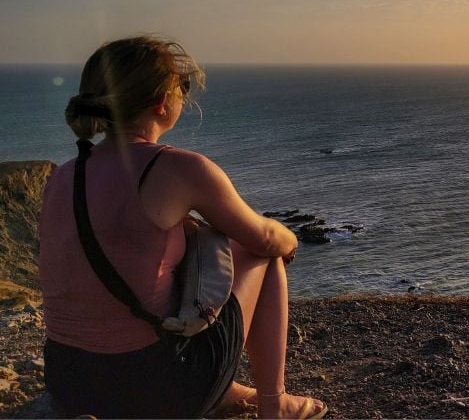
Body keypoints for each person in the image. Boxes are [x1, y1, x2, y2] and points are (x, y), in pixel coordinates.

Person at [39, 36, 327, 419]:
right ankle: (275, 406)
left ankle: (226, 392)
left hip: (71, 386)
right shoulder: (179, 169)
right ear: (162, 102)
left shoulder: (63, 176)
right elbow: (263, 237)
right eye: (182, 88)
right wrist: (289, 238)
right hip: (159, 389)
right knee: (264, 256)